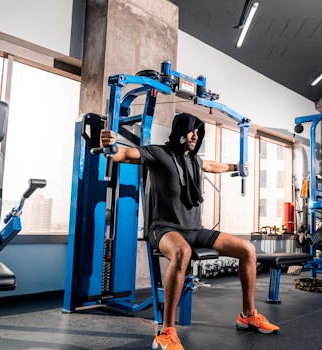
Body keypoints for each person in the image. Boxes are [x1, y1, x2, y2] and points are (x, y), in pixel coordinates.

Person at [100, 113, 279, 350]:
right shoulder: (158, 153)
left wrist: (236, 166)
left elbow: (214, 166)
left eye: (198, 131)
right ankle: (166, 332)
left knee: (247, 250)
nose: (195, 135)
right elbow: (126, 155)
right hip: (163, 229)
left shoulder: (195, 161)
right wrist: (111, 146)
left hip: (195, 229)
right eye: (191, 130)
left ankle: (248, 315)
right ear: (179, 131)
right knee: (182, 252)